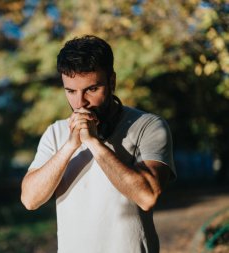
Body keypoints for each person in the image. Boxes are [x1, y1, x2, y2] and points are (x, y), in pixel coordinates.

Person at [20, 35, 176, 253]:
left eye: (91, 89)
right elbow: (30, 200)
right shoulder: (55, 133)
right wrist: (69, 147)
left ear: (112, 82)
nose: (80, 102)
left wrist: (93, 143)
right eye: (71, 91)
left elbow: (147, 196)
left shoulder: (148, 126)